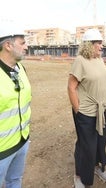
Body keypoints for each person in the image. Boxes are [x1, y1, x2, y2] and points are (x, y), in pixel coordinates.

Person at [67, 28, 106, 188]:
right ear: (89, 45)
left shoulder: (99, 59)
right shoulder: (80, 61)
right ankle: (79, 176)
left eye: (101, 42)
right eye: (98, 43)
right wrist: (78, 111)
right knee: (86, 145)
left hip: (101, 111)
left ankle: (97, 167)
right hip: (85, 112)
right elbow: (71, 87)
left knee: (100, 141)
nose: (101, 46)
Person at [0, 21, 31, 188]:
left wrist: (25, 138)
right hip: (2, 151)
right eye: (22, 42)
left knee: (15, 181)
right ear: (8, 45)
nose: (27, 46)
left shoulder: (21, 69)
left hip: (22, 142)